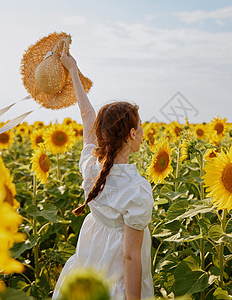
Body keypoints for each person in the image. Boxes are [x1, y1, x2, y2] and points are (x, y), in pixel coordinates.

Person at [52, 43, 155, 300]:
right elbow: (130, 257)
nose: (143, 133)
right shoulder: (136, 189)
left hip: (91, 258)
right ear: (132, 134)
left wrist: (74, 71)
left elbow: (87, 115)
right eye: (140, 127)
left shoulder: (90, 166)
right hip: (117, 275)